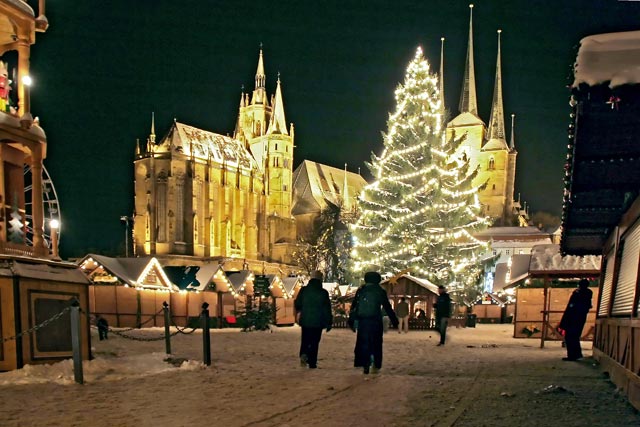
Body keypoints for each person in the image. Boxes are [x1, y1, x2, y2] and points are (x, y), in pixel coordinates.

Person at [349, 271, 398, 374]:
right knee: (376, 342)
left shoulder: (361, 290)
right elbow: (387, 307)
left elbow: (354, 306)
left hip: (363, 321)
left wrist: (352, 319)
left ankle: (364, 362)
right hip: (375, 320)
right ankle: (376, 362)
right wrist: (394, 320)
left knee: (363, 342)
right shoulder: (380, 291)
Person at [294, 270, 333, 369]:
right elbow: (327, 309)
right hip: (318, 321)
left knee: (305, 339)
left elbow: (298, 303)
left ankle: (304, 354)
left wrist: (300, 311)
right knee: (315, 341)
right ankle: (312, 362)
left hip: (306, 320)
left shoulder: (304, 290)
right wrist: (329, 322)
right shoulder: (323, 293)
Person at [558, 278, 593, 361]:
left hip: (573, 318)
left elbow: (571, 306)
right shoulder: (586, 294)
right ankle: (576, 354)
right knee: (574, 336)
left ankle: (573, 355)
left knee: (571, 336)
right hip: (579, 318)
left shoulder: (579, 293)